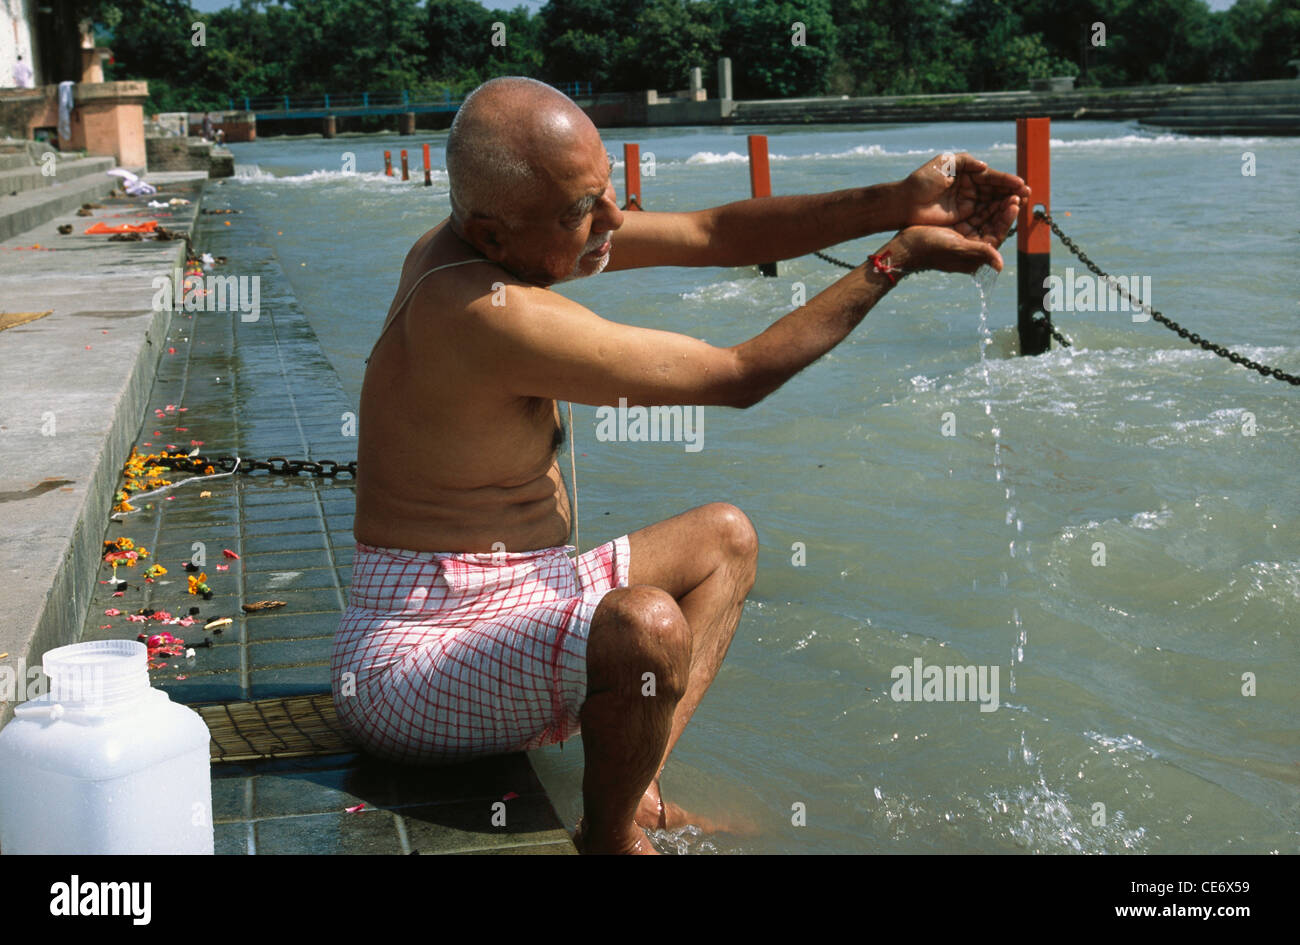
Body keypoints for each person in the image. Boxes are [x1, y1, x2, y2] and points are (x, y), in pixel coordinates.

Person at [329, 76, 1028, 854]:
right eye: (580, 213)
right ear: (491, 234)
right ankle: (613, 841)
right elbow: (737, 375)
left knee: (724, 538)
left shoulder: (514, 234)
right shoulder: (490, 316)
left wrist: (900, 200)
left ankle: (632, 798)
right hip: (416, 657)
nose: (612, 223)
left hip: (517, 592)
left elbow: (711, 232)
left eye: (607, 192)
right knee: (645, 627)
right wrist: (897, 259)